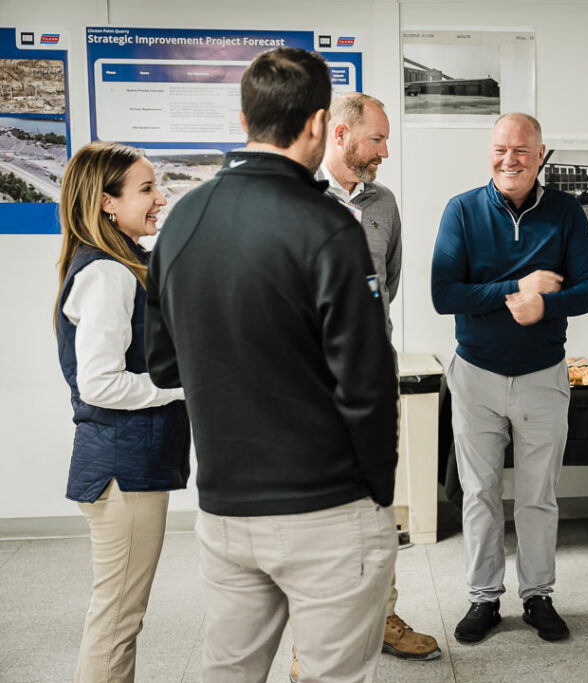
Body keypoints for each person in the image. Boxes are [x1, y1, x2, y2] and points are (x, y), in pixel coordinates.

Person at [144, 47, 398, 682]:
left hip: (225, 510)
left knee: (229, 674)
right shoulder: (330, 229)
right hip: (326, 507)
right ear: (317, 125)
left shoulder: (180, 222)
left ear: (243, 119)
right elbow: (366, 384)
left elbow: (162, 365)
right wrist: (379, 495)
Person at [431, 112, 588, 644]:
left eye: (522, 151)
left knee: (537, 495)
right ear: (490, 151)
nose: (509, 159)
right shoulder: (461, 210)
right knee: (478, 491)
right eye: (500, 149)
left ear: (541, 155)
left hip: (542, 377)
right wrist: (518, 288)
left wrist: (545, 303)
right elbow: (445, 294)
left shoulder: (566, 212)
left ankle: (538, 596)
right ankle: (483, 597)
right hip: (476, 375)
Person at [288, 93, 439, 682]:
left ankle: (383, 617)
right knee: (319, 516)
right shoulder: (297, 197)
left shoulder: (385, 204)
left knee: (378, 505)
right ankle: (310, 643)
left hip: (373, 378)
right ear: (342, 135)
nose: (384, 150)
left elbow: (389, 283)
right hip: (311, 385)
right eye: (377, 138)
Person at [54, 141, 190, 682]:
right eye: (146, 188)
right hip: (120, 470)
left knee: (118, 614)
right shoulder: (108, 274)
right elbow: (100, 383)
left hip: (128, 466)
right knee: (116, 619)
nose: (161, 197)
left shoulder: (126, 262)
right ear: (108, 202)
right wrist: (182, 388)